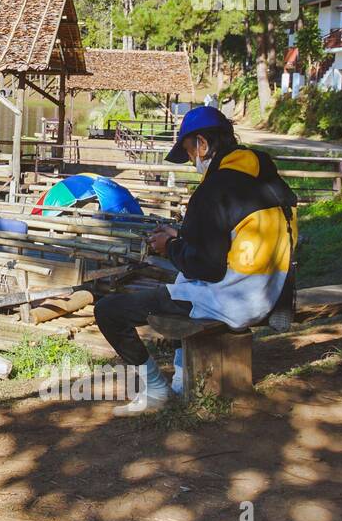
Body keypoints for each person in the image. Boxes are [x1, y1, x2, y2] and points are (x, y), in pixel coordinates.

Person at [94, 106, 298, 414]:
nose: (192, 161)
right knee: (181, 284)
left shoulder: (214, 189)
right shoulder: (267, 178)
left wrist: (170, 246)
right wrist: (181, 237)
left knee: (109, 310)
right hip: (274, 295)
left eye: (190, 152)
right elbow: (235, 236)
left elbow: (206, 267)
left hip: (233, 302)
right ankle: (182, 377)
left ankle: (155, 390)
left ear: (202, 144)